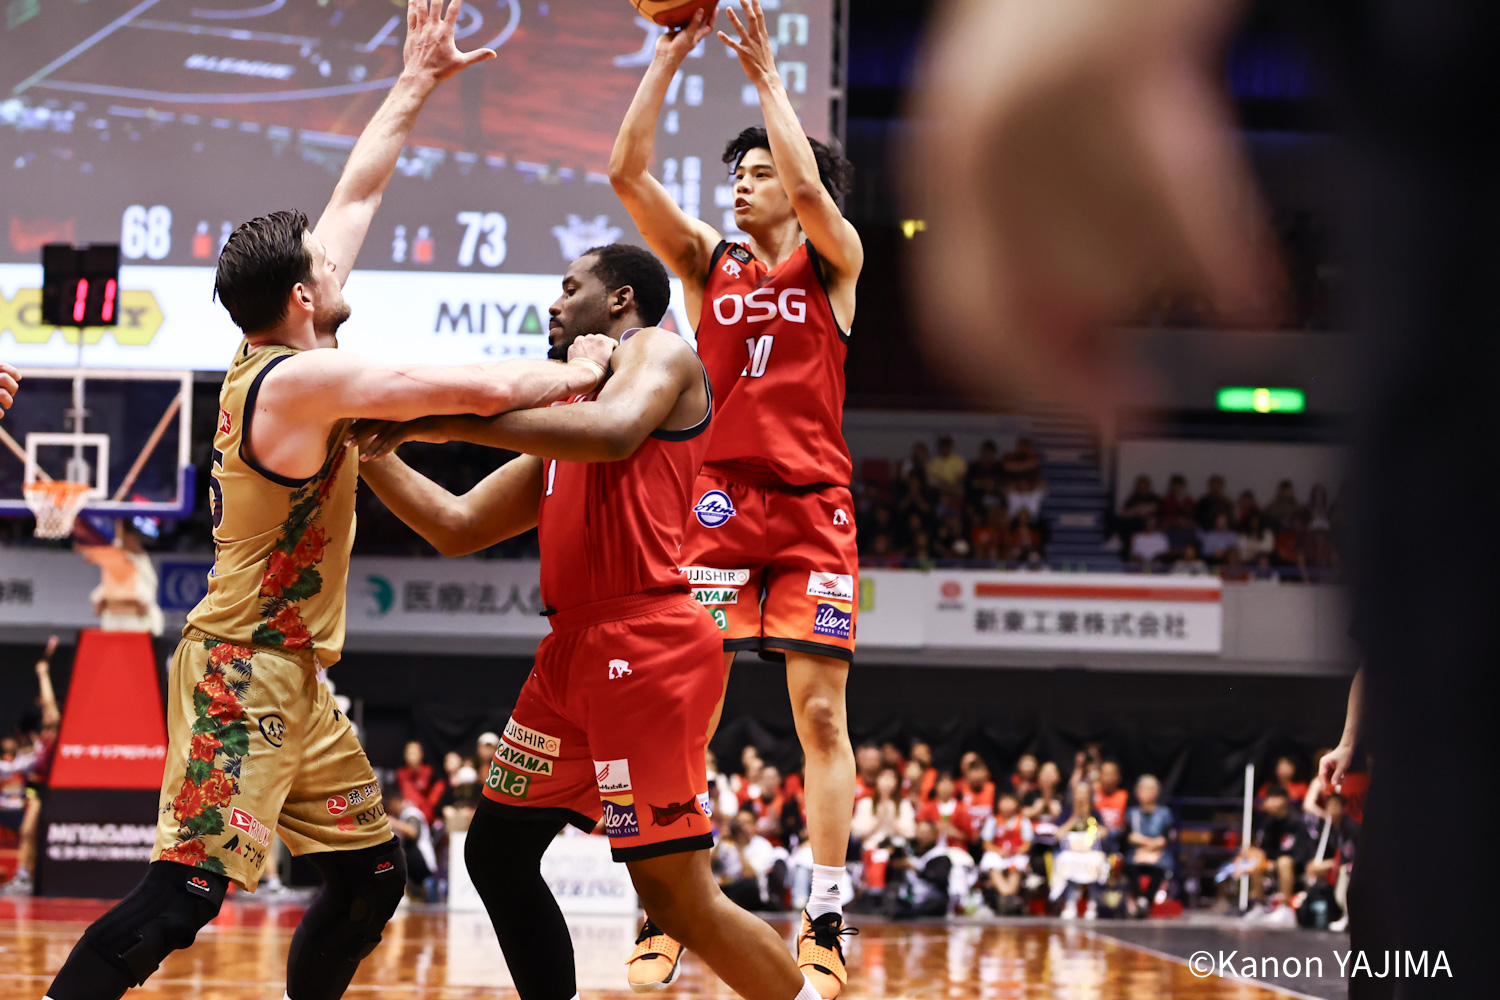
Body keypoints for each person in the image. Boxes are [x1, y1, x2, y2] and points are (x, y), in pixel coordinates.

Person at [39, 10, 553, 997]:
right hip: (241, 668)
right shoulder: (296, 381)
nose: (336, 258)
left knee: (371, 878)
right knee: (181, 898)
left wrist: (416, 78)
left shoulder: (290, 343)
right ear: (304, 295)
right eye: (324, 261)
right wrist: (595, 371)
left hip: (297, 677)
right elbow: (477, 388)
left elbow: (357, 190)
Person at [352, 245, 820, 1000]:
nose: (554, 303)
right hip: (570, 653)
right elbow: (456, 524)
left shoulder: (661, 352)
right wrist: (369, 447)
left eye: (569, 288)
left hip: (646, 641)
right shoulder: (565, 421)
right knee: (497, 853)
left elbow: (614, 432)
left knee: (678, 899)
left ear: (620, 299)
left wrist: (441, 421)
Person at [608, 2, 863, 992]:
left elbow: (804, 184)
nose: (742, 185)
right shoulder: (708, 265)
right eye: (736, 175)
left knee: (821, 717)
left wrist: (766, 77)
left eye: (757, 173)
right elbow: (627, 174)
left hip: (812, 511)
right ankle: (672, 905)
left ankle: (826, 918)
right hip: (714, 508)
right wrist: (666, 58)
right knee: (686, 714)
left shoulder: (834, 261)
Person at [0, 636, 60, 897]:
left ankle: (25, 878)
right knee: (28, 834)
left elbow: (51, 708)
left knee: (28, 832)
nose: (46, 714)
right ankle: (25, 877)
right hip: (34, 792)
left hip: (47, 793)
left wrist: (43, 674)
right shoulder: (40, 743)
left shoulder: (53, 735)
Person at [1051, 782, 1110, 919]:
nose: (1082, 797)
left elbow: (1103, 833)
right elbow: (1058, 834)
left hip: (1090, 851)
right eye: (1079, 793)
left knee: (1098, 861)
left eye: (1085, 793)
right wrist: (1074, 817)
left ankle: (1092, 903)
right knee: (1066, 862)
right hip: (1070, 852)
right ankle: (1070, 902)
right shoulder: (1067, 812)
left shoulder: (1094, 813)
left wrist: (1089, 817)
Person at [1122, 775, 1175, 918]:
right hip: (1137, 852)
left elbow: (1165, 838)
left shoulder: (1164, 813)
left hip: (1158, 853)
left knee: (1161, 867)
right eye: (1144, 789)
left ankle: (1146, 901)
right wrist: (1146, 845)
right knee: (1130, 865)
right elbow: (1130, 836)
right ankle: (1139, 898)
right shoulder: (1132, 813)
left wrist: (1151, 847)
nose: (1147, 792)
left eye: (1151, 789)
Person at [882, 820, 953, 919]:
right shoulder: (909, 851)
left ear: (935, 835)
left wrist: (916, 869)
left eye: (925, 833)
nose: (920, 837)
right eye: (919, 832)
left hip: (930, 901)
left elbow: (939, 878)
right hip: (910, 900)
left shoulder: (940, 856)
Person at [978, 793, 1032, 915]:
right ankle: (1007, 893)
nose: (1007, 805)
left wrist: (1016, 851)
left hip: (1015, 854)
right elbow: (986, 844)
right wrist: (999, 851)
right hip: (998, 853)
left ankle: (1008, 895)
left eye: (1010, 801)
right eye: (1004, 801)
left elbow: (1027, 844)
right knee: (991, 861)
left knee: (1017, 866)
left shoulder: (1023, 821)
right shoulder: (993, 820)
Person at [396, 741, 445, 825]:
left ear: (421, 754)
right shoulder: (400, 774)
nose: (413, 756)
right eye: (410, 753)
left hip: (427, 815)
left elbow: (439, 787)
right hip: (407, 814)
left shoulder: (429, 772)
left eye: (415, 752)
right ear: (405, 755)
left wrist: (428, 805)